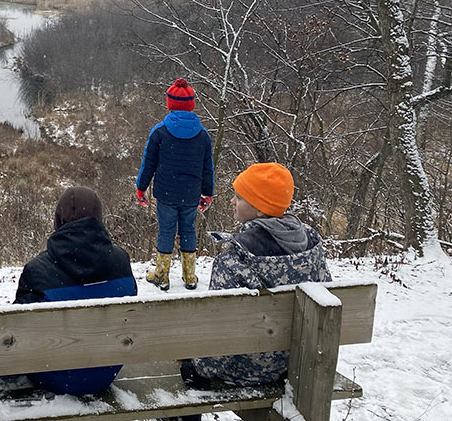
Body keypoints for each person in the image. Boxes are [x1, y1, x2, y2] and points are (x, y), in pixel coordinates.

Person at [181, 162, 331, 391]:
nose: (232, 201)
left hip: (244, 371)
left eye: (240, 197)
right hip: (297, 363)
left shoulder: (234, 259)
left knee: (188, 369)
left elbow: (221, 333)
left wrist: (199, 369)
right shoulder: (311, 244)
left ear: (261, 209)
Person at [15, 186, 137, 395]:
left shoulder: (38, 270)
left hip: (51, 375)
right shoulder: (121, 260)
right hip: (106, 371)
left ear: (58, 220)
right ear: (99, 217)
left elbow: (16, 338)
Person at [135, 78, 214, 290]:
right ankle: (189, 276)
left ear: (169, 103)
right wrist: (208, 193)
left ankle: (162, 274)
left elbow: (148, 163)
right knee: (188, 230)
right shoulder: (203, 135)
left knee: (166, 231)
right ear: (192, 104)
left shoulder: (160, 132)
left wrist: (141, 188)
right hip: (191, 193)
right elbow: (208, 167)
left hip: (166, 192)